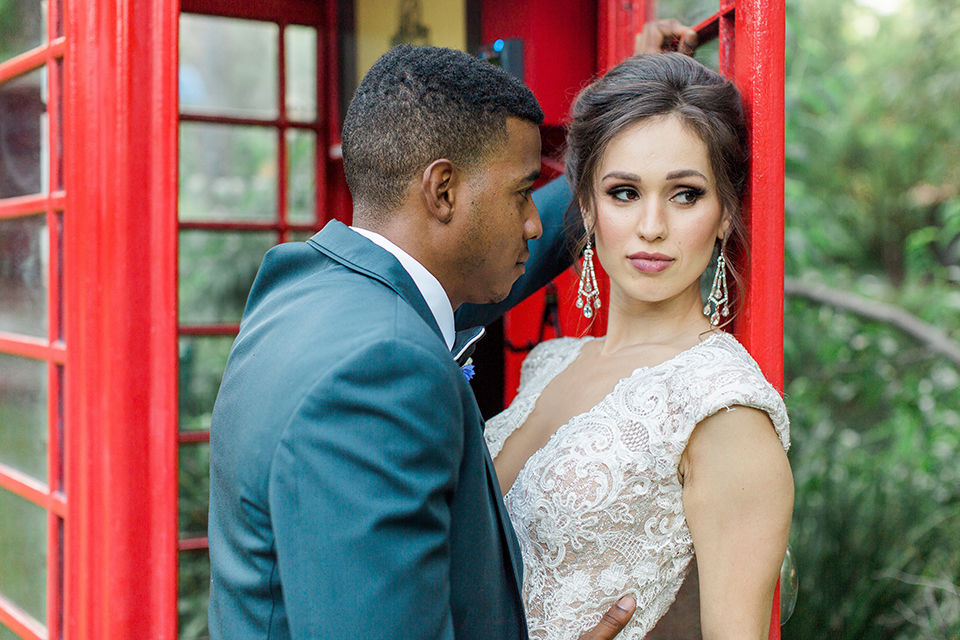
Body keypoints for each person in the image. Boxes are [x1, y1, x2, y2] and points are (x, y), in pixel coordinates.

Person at [207, 22, 697, 640]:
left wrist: (615, 141)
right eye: (522, 193)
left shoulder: (303, 289)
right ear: (442, 190)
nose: (531, 224)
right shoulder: (383, 370)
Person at [484, 53, 794, 640]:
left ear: (726, 212)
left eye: (685, 195)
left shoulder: (723, 408)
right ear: (587, 208)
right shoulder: (550, 363)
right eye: (624, 192)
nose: (652, 225)